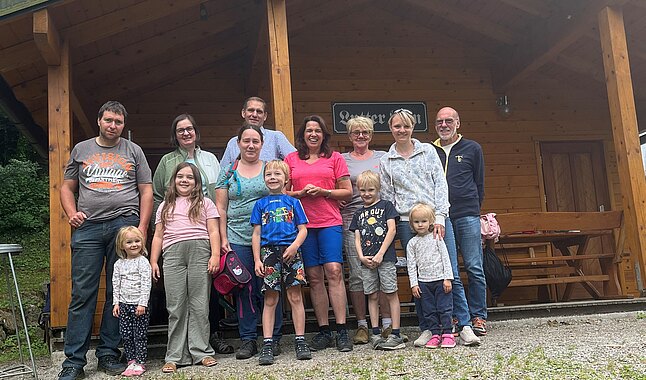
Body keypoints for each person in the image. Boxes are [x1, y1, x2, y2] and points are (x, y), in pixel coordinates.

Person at [58, 101, 153, 380]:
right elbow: (66, 186)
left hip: (123, 224)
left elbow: (146, 190)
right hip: (87, 227)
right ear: (99, 120)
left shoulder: (133, 151)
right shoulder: (82, 149)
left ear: (124, 125)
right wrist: (71, 213)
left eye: (119, 122)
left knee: (120, 292)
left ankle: (108, 353)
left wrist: (142, 227)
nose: (113, 126)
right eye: (109, 120)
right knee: (82, 293)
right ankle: (74, 362)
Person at [378, 108, 459, 347]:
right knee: (420, 276)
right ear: (391, 129)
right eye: (396, 126)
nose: (401, 130)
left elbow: (440, 184)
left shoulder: (428, 151)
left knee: (449, 269)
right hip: (405, 222)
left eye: (406, 126)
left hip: (434, 219)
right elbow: (387, 195)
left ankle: (459, 324)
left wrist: (441, 217)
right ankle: (428, 328)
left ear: (413, 127)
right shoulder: (387, 160)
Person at [151, 114, 231, 354]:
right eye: (180, 130)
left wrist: (217, 246)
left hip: (205, 235)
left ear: (196, 131)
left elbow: (220, 192)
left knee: (204, 298)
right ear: (175, 135)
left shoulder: (209, 159)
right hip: (174, 240)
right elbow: (156, 194)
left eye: (189, 129)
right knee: (177, 301)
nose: (185, 133)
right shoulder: (167, 161)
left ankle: (207, 340)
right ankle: (178, 351)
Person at [284, 115, 353, 352]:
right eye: (309, 130)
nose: (313, 134)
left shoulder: (334, 158)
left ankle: (342, 329)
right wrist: (301, 193)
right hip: (302, 227)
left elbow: (347, 191)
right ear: (303, 135)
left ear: (324, 135)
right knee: (313, 277)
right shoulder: (291, 159)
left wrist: (324, 191)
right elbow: (282, 192)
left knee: (333, 271)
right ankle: (323, 330)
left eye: (318, 130)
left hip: (329, 221)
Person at [215, 124, 282, 360]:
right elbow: (221, 208)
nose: (251, 145)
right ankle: (248, 339)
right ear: (238, 143)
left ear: (262, 144)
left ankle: (272, 338)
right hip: (237, 238)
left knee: (270, 288)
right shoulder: (228, 172)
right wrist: (223, 239)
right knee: (245, 288)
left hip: (269, 238)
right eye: (246, 140)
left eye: (255, 141)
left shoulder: (270, 169)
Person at [150, 163, 220, 373]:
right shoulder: (165, 205)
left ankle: (201, 351)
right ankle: (175, 355)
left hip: (200, 250)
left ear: (197, 182)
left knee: (199, 303)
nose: (184, 180)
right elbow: (158, 236)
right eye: (180, 176)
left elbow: (214, 231)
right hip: (172, 254)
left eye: (190, 177)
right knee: (176, 305)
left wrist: (215, 255)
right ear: (173, 180)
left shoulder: (206, 202)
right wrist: (154, 261)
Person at [433, 106, 487, 338]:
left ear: (458, 123)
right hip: (441, 217)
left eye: (448, 121)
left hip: (467, 214)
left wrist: (473, 207)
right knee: (449, 269)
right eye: (439, 122)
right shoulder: (429, 151)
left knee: (474, 266)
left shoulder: (472, 148)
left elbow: (479, 182)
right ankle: (456, 315)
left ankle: (478, 316)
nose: (444, 125)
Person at [251, 160, 312, 365]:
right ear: (264, 179)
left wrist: (295, 246)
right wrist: (257, 259)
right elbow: (256, 233)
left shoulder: (293, 202)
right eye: (268, 174)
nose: (273, 177)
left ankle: (300, 340)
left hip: (291, 251)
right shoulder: (260, 204)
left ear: (286, 179)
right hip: (269, 252)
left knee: (295, 297)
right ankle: (267, 343)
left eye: (277, 174)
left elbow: (303, 229)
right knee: (270, 299)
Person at [340, 116, 392, 345]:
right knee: (359, 274)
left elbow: (391, 185)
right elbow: (338, 187)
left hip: (381, 221)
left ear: (371, 135)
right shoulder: (341, 160)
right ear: (349, 136)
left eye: (365, 132)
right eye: (355, 132)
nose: (360, 136)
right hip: (353, 222)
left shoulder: (383, 158)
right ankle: (363, 325)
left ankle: (388, 323)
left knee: (381, 272)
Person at [349, 171, 403, 350]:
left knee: (390, 292)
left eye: (371, 190)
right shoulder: (358, 214)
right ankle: (375, 332)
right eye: (363, 190)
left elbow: (392, 230)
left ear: (378, 189)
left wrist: (380, 253)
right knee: (371, 295)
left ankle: (395, 332)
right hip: (367, 261)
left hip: (385, 259)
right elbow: (357, 238)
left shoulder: (386, 206)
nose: (366, 194)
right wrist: (361, 257)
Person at [406, 203, 455, 349]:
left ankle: (447, 334)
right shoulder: (412, 243)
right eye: (416, 222)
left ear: (431, 222)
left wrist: (448, 278)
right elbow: (411, 266)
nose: (420, 225)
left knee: (444, 308)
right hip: (423, 283)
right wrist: (414, 284)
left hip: (441, 280)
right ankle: (435, 334)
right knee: (429, 310)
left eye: (424, 221)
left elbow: (446, 258)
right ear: (412, 224)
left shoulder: (437, 238)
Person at [112, 226, 152, 377]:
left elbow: (146, 284)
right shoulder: (119, 264)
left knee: (139, 335)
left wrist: (142, 303)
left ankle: (140, 362)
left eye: (137, 241)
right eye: (129, 242)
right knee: (126, 334)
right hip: (123, 305)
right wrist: (116, 303)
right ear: (122, 245)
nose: (134, 245)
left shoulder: (143, 262)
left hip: (139, 306)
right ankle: (131, 361)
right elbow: (116, 284)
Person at [220, 96, 296, 169]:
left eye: (259, 112)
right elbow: (223, 171)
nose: (254, 115)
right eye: (251, 110)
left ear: (265, 116)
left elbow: (296, 162)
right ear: (243, 113)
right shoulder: (233, 143)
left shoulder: (276, 137)